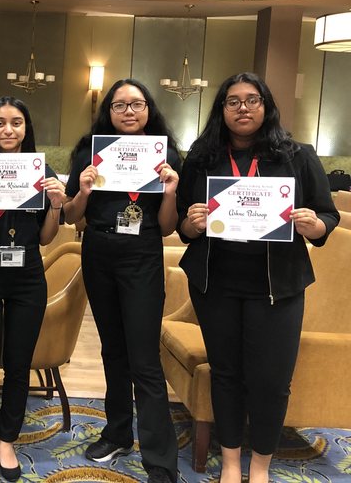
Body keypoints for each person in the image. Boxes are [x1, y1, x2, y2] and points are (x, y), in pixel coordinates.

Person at [177, 72, 338, 483]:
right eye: (233, 101)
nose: (243, 107)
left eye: (252, 99)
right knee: (226, 375)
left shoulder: (297, 155)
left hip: (278, 287)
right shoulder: (202, 156)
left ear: (265, 106)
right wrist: (193, 224)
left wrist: (313, 225)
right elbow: (182, 224)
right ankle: (231, 462)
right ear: (222, 109)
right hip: (216, 285)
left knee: (270, 381)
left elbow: (327, 214)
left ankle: (261, 467)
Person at [63, 79, 180, 483]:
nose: (128, 112)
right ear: (107, 111)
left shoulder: (163, 153)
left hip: (143, 253)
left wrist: (169, 191)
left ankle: (160, 459)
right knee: (112, 351)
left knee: (143, 358)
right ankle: (116, 433)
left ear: (148, 109)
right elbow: (71, 216)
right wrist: (82, 190)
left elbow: (167, 228)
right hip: (99, 251)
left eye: (136, 104)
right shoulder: (89, 150)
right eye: (119, 106)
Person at [0, 96, 66, 483]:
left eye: (16, 123)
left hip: (28, 276)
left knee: (19, 364)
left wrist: (55, 205)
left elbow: (47, 238)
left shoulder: (41, 171)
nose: (8, 130)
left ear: (26, 129)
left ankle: (7, 439)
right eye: (0, 123)